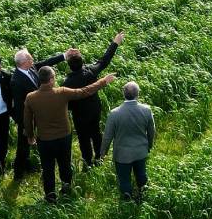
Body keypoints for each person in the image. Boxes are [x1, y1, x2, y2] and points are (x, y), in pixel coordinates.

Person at [23, 66, 116, 203]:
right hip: (63, 137)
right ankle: (66, 189)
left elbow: (27, 120)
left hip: (45, 139)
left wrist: (30, 136)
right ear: (51, 80)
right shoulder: (62, 92)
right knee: (65, 164)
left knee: (47, 168)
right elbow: (85, 91)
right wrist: (103, 81)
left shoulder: (31, 97)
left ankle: (50, 195)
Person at [62, 31, 124, 167]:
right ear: (82, 62)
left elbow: (67, 103)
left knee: (83, 138)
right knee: (96, 132)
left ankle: (87, 161)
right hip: (94, 109)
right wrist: (115, 43)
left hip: (79, 114)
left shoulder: (67, 83)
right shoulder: (91, 71)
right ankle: (100, 157)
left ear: (69, 65)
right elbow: (104, 60)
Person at [10, 47, 65, 178]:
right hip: (27, 118)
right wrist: (24, 124)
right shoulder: (16, 81)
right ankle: (18, 172)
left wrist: (64, 55)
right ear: (23, 62)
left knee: (31, 142)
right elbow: (18, 106)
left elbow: (46, 62)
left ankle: (27, 164)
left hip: (38, 114)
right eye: (30, 58)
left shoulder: (31, 68)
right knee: (23, 144)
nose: (33, 59)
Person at [101, 81, 156, 200]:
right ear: (138, 94)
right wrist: (149, 145)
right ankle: (143, 197)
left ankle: (127, 199)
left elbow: (107, 137)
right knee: (141, 175)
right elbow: (152, 131)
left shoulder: (114, 113)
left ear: (123, 94)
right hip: (140, 151)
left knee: (124, 179)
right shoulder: (146, 110)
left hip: (122, 155)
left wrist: (103, 153)